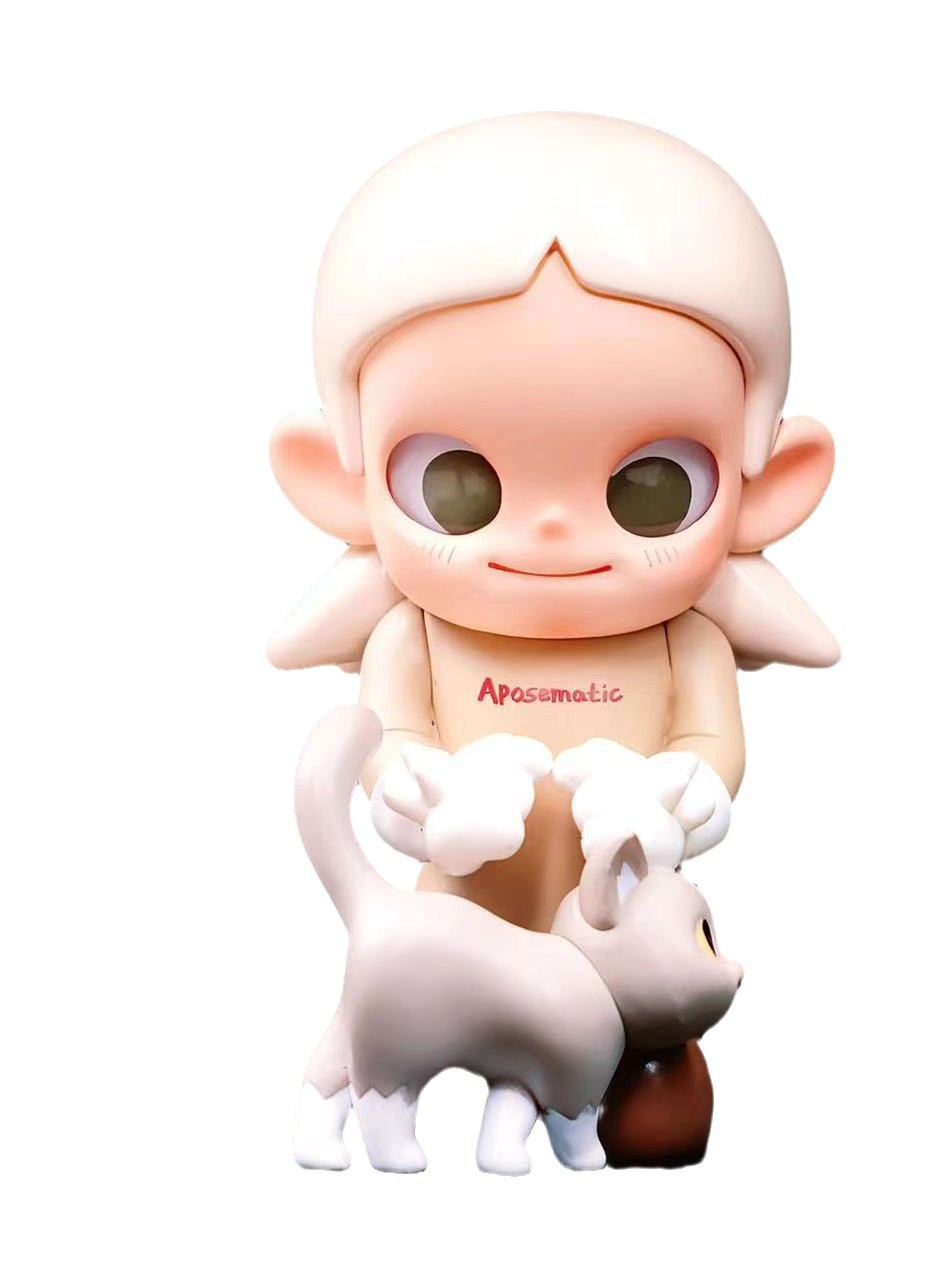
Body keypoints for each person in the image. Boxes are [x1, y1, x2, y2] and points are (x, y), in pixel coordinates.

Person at [272, 112, 837, 1167]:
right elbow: (390, 743)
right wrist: (425, 797)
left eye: (651, 488)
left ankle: (580, 1102)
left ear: (769, 486)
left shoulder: (684, 643)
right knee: (405, 1005)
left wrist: (674, 795)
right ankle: (356, 1093)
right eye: (457, 484)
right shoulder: (413, 635)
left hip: (620, 948)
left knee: (647, 1111)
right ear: (334, 479)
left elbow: (710, 753)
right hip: (456, 935)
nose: (550, 535)